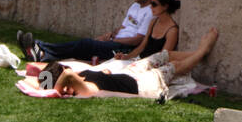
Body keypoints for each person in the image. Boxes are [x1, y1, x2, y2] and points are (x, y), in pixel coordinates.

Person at [47, 28, 219, 99]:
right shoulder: (83, 89)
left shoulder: (81, 77)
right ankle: (203, 50)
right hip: (142, 85)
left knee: (162, 56)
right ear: (66, 86)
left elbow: (69, 74)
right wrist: (57, 91)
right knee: (173, 67)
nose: (68, 69)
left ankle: (197, 53)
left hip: (129, 74)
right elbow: (68, 76)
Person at [20, 0, 177, 63]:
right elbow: (133, 36)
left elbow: (152, 50)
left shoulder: (168, 28)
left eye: (155, 4)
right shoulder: (146, 16)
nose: (152, 7)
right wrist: (109, 36)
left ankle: (40, 48)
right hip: (121, 47)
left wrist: (126, 54)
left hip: (126, 49)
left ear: (165, 7)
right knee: (85, 48)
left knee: (85, 45)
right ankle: (42, 53)